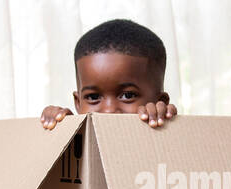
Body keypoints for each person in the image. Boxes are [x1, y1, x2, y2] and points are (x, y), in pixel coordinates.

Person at [40, 18, 177, 130]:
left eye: (127, 95)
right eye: (93, 97)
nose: (109, 110)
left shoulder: (167, 141)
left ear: (160, 102)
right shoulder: (73, 136)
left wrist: (163, 123)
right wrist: (63, 131)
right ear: (78, 103)